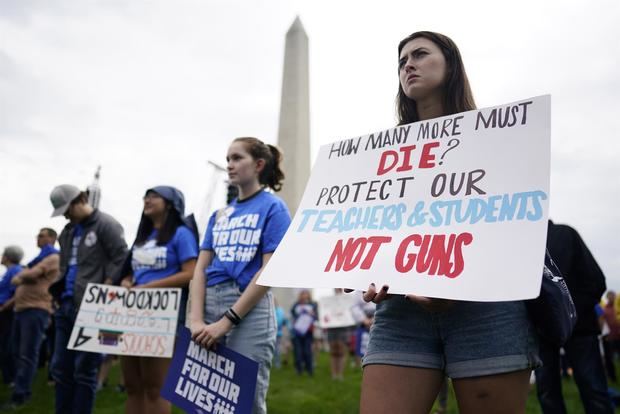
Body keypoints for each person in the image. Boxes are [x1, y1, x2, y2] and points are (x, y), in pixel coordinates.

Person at [360, 31, 540, 414]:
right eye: (402, 59)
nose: (407, 64)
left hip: (486, 309)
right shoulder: (383, 157)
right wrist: (363, 265)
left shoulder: (501, 136)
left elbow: (513, 223)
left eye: (420, 54)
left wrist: (459, 283)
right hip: (400, 310)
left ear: (451, 63)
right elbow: (377, 227)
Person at [189, 137, 291, 414]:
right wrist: (196, 319)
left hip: (249, 311)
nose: (230, 165)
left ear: (258, 164)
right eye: (228, 160)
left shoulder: (274, 207)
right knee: (204, 399)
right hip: (209, 303)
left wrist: (227, 321)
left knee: (244, 400)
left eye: (237, 158)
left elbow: (269, 269)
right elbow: (201, 269)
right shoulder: (219, 215)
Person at [48, 184, 128, 414]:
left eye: (67, 209)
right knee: (60, 369)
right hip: (65, 306)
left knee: (85, 370)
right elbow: (65, 266)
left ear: (80, 199)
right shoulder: (67, 231)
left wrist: (108, 286)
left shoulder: (107, 224)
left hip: (95, 307)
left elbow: (121, 257)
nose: (65, 214)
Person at [119, 186, 198, 414]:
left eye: (154, 196)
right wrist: (127, 282)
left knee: (156, 387)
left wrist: (148, 287)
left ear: (171, 204)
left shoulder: (181, 234)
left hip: (164, 315)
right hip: (133, 313)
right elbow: (131, 271)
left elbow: (191, 273)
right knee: (133, 386)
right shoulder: (142, 238)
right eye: (146, 195)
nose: (147, 200)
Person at [535, 220, 613, 413]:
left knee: (593, 390)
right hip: (542, 331)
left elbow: (596, 280)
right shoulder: (522, 243)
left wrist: (571, 312)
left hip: (579, 328)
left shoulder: (566, 235)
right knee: (547, 393)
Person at [6, 228, 60, 408]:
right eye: (38, 235)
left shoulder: (53, 258)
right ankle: (18, 386)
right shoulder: (37, 260)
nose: (38, 238)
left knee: (27, 353)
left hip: (36, 309)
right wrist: (23, 276)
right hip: (22, 309)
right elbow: (23, 276)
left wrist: (22, 276)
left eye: (42, 235)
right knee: (16, 350)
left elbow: (30, 274)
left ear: (52, 238)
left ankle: (21, 395)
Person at [0, 245, 24, 387]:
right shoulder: (8, 272)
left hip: (7, 312)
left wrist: (4, 307)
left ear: (8, 257)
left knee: (8, 344)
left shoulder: (15, 270)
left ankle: (12, 377)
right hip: (4, 312)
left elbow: (17, 293)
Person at [291, 289, 318, 377]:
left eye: (306, 294)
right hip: (297, 332)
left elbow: (316, 317)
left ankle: (309, 369)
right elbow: (293, 315)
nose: (304, 296)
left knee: (307, 351)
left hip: (308, 332)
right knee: (298, 352)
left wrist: (312, 314)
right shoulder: (296, 305)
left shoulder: (313, 305)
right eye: (303, 294)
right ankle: (299, 370)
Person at [325, 288, 351, 380]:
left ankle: (340, 374)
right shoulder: (330, 300)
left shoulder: (347, 299)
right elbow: (325, 312)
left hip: (343, 328)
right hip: (332, 328)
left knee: (341, 350)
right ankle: (334, 374)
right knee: (333, 351)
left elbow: (349, 312)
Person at [601, 291, 620, 382]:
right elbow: (603, 323)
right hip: (609, 337)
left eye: (614, 296)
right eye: (611, 296)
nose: (613, 298)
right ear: (608, 297)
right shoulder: (604, 309)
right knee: (609, 358)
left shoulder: (617, 307)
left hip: (618, 335)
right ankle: (612, 377)